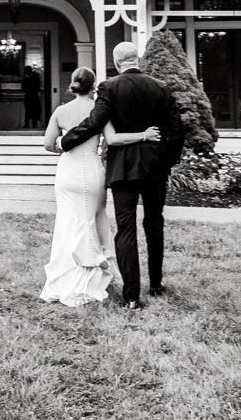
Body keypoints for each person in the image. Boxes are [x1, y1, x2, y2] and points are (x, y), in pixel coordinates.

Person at [59, 40, 182, 307]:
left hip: (123, 168)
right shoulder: (161, 87)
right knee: (154, 224)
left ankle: (132, 298)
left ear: (117, 63)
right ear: (137, 58)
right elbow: (176, 132)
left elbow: (95, 122)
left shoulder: (109, 87)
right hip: (154, 167)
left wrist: (66, 141)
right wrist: (165, 161)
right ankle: (157, 285)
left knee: (125, 229)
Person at [37, 67, 116, 307]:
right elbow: (111, 139)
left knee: (67, 222)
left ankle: (64, 277)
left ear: (73, 85)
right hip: (91, 169)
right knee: (91, 219)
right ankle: (89, 279)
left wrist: (65, 146)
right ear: (93, 87)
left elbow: (48, 144)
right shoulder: (99, 110)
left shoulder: (61, 111)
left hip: (67, 171)